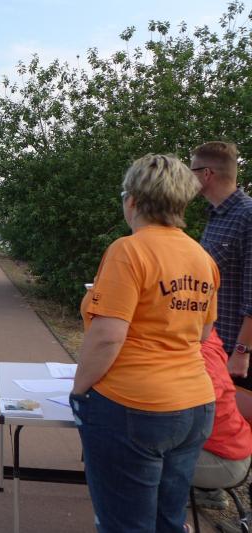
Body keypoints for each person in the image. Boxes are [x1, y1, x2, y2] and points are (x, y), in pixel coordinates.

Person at [70, 154, 218, 532]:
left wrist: (80, 390)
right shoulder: (202, 257)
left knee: (125, 524)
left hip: (135, 405)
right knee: (168, 519)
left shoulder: (129, 250)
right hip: (195, 404)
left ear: (132, 201)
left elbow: (107, 337)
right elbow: (203, 333)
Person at [192, 141, 252, 385]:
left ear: (206, 174)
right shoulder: (216, 214)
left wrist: (242, 351)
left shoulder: (248, 215)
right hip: (214, 346)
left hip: (237, 356)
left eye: (192, 171)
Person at [191, 329, 252, 510]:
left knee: (133, 455)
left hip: (224, 459)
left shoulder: (200, 354)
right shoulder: (203, 335)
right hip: (226, 448)